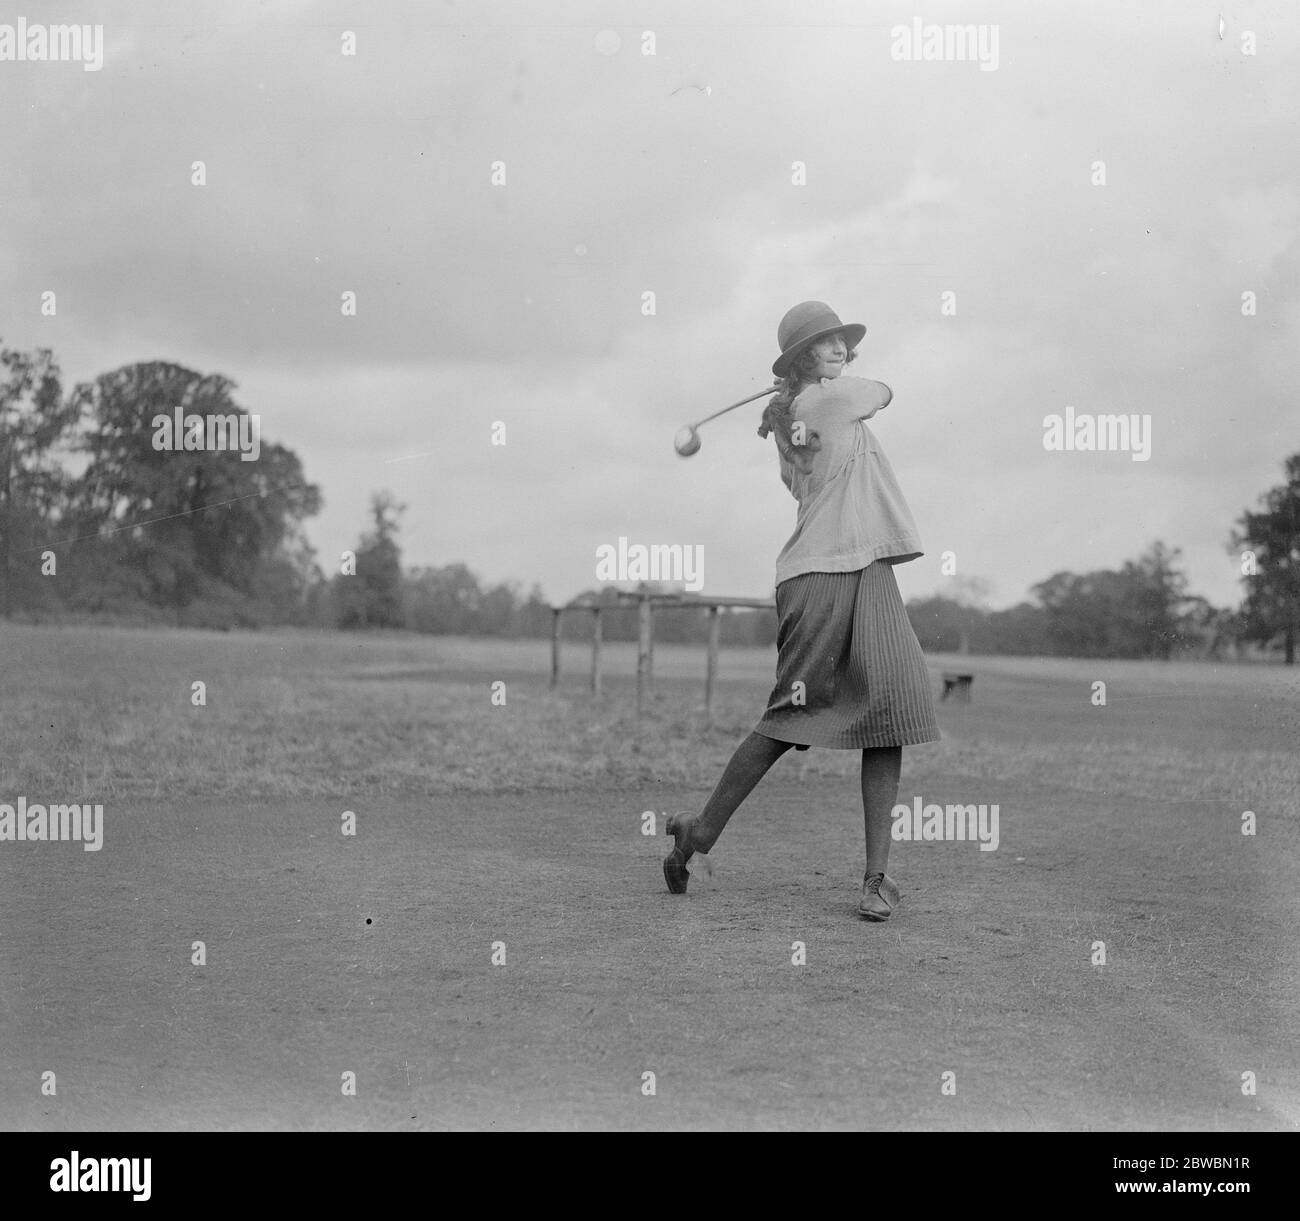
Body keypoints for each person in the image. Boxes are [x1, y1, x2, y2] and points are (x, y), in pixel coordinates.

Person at [663, 301, 941, 920]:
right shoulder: (826, 402)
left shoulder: (797, 418)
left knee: (891, 716)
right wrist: (806, 388)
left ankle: (876, 878)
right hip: (820, 576)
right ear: (800, 359)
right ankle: (698, 834)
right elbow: (887, 391)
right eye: (823, 343)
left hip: (867, 569)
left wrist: (794, 388)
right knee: (789, 719)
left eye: (841, 339)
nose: (839, 347)